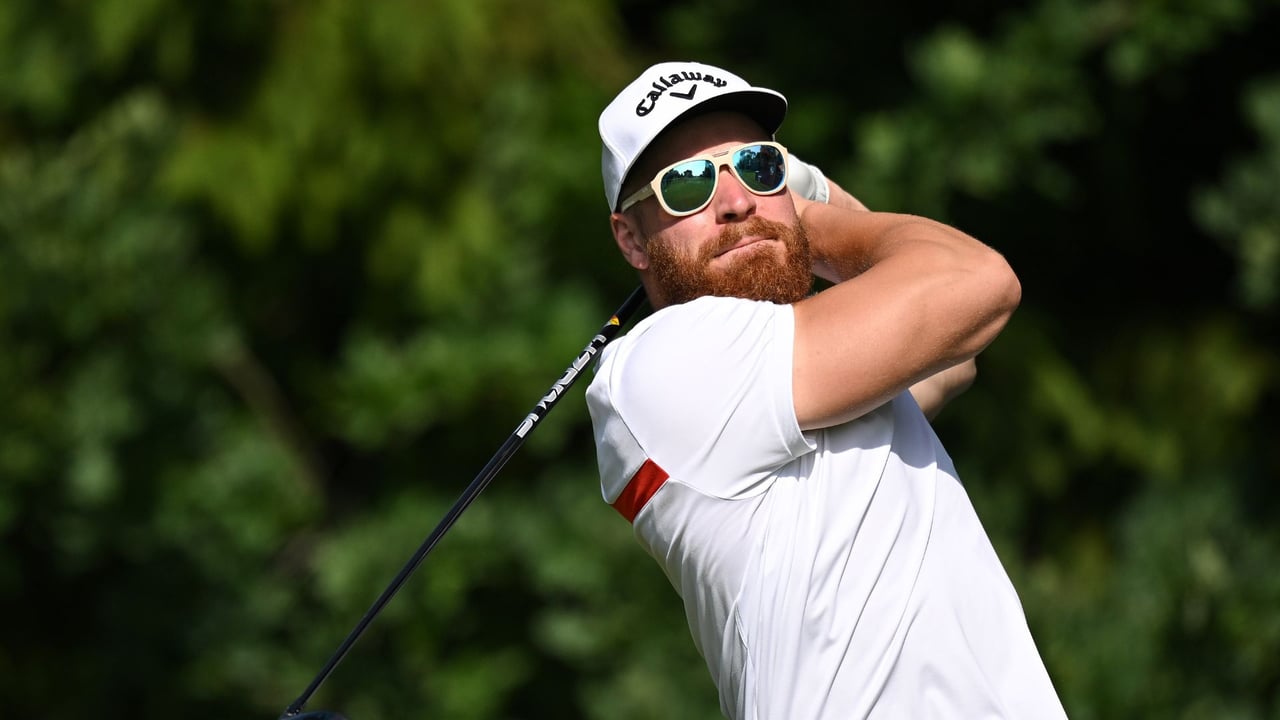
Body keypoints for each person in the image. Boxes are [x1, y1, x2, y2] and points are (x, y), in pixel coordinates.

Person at [584, 61, 1068, 719]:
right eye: (689, 184)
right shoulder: (661, 362)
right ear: (631, 242)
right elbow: (974, 282)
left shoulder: (804, 370)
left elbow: (951, 361)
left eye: (757, 166)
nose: (733, 201)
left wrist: (788, 204)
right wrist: (801, 215)